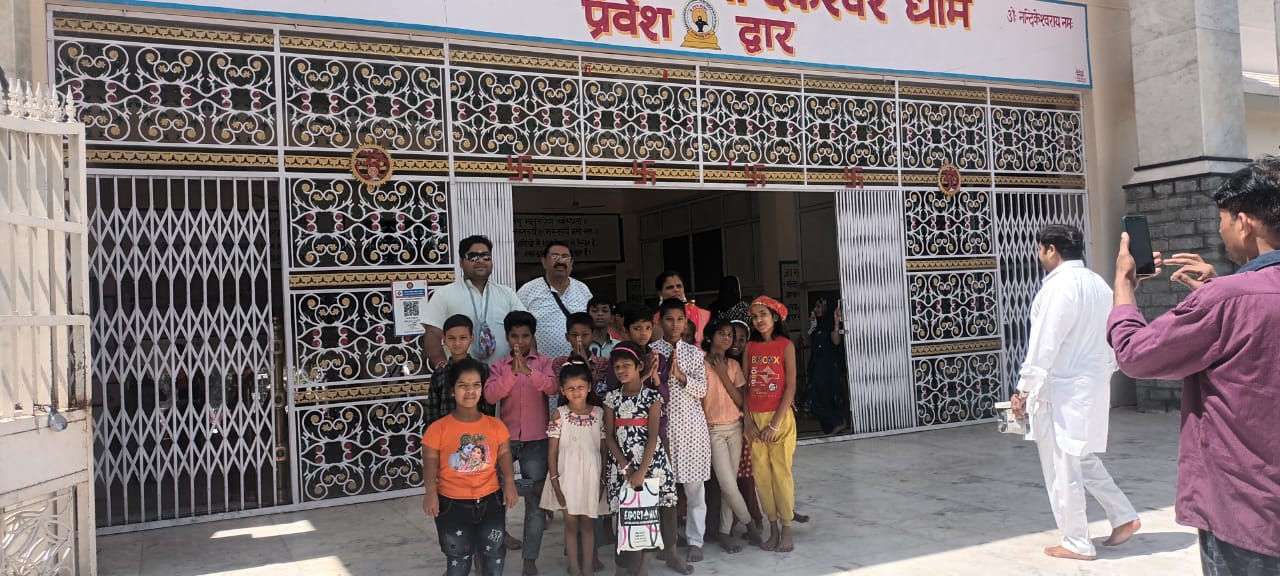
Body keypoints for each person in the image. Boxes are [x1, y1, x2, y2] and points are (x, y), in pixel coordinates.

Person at [1108, 157, 1280, 573]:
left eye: (1222, 221)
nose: (1221, 232)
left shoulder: (1226, 300)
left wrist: (1124, 288)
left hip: (1249, 516)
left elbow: (1134, 353)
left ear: (1244, 222)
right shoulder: (1229, 297)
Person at [1006, 224, 1140, 561]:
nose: (1039, 255)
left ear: (1050, 249)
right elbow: (1112, 334)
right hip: (1089, 386)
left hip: (1061, 391)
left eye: (1040, 249)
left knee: (1061, 467)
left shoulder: (1059, 288)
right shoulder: (1098, 285)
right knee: (1079, 456)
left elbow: (1044, 344)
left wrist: (1023, 389)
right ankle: (1123, 515)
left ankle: (1077, 541)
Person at [422, 358, 520, 576]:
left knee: (494, 557)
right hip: (451, 505)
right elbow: (429, 462)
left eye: (476, 385)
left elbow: (504, 454)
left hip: (491, 502)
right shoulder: (438, 429)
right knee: (458, 560)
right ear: (451, 390)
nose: (470, 391)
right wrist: (430, 493)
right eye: (463, 385)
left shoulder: (495, 426)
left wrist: (510, 483)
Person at [484, 311, 558, 576]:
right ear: (507, 337)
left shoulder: (545, 363)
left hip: (537, 440)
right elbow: (491, 396)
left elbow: (552, 388)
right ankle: (494, 546)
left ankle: (530, 559)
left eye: (525, 336)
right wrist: (513, 374)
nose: (520, 341)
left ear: (532, 337)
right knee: (494, 494)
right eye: (514, 336)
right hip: (505, 440)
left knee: (535, 502)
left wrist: (528, 372)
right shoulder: (498, 367)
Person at [603, 341, 677, 576]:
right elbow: (609, 436)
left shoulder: (652, 397)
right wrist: (626, 467)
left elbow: (653, 436)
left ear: (639, 366)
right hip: (622, 466)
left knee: (650, 514)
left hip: (651, 464)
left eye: (626, 365)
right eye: (617, 367)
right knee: (627, 516)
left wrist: (642, 471)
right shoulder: (611, 398)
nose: (621, 370)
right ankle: (623, 567)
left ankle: (644, 568)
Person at [650, 299, 711, 566]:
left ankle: (696, 541)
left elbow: (702, 390)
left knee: (695, 490)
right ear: (660, 321)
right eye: (669, 319)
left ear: (686, 322)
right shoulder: (651, 352)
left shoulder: (695, 353)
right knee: (663, 491)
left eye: (679, 320)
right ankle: (668, 540)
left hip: (691, 429)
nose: (675, 325)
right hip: (662, 430)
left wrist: (681, 376)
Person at [701, 318, 762, 553]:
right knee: (727, 483)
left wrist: (723, 374)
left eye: (730, 335)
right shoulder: (699, 363)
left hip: (735, 428)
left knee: (731, 485)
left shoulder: (734, 366)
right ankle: (750, 525)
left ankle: (725, 532)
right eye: (722, 333)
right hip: (712, 430)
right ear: (709, 337)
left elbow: (740, 400)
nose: (727, 338)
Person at [541, 360, 606, 576]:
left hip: (591, 478)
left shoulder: (599, 414)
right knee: (570, 524)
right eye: (570, 388)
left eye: (580, 387)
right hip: (566, 477)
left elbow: (604, 451)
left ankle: (587, 568)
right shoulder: (559, 415)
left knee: (588, 525)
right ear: (562, 390)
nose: (576, 392)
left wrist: (603, 479)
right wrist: (555, 483)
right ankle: (575, 568)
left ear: (589, 387)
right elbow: (552, 452)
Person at [423, 235, 527, 368]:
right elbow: (432, 335)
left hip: (503, 375)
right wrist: (443, 369)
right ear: (461, 262)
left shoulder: (507, 294)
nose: (480, 260)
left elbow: (526, 329)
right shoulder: (444, 294)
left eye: (486, 256)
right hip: (461, 376)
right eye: (473, 256)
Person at [744, 296, 797, 553]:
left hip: (779, 419)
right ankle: (772, 526)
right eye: (754, 317)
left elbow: (791, 387)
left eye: (763, 314)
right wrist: (748, 421)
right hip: (755, 421)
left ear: (775, 317)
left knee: (781, 475)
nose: (758, 320)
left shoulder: (786, 346)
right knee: (762, 478)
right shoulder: (750, 348)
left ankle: (787, 528)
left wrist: (775, 425)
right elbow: (744, 387)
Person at [518, 241, 593, 360]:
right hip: (542, 366)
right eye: (555, 256)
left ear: (571, 263)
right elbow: (517, 327)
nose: (561, 261)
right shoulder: (528, 290)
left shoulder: (583, 289)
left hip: (579, 365)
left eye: (565, 257)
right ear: (544, 261)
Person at [428, 315, 496, 424]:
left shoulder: (482, 370)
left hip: (477, 431)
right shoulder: (439, 374)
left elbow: (489, 407)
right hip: (447, 431)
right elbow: (432, 413)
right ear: (444, 339)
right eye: (451, 338)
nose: (457, 343)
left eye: (463, 337)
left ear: (471, 338)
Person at [807, 298, 850, 435]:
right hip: (818, 367)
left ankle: (838, 422)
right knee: (817, 398)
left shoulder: (829, 323)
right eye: (815, 307)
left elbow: (836, 341)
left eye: (819, 306)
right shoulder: (818, 325)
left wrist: (836, 322)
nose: (816, 309)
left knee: (823, 399)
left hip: (828, 368)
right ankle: (831, 428)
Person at [652, 271, 711, 346]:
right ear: (660, 293)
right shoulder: (656, 321)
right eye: (670, 287)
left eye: (679, 286)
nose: (676, 290)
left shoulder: (704, 314)